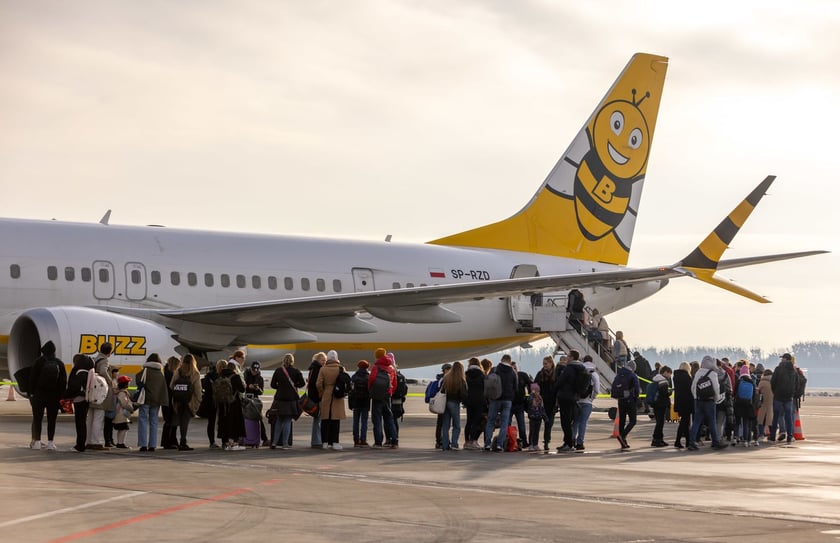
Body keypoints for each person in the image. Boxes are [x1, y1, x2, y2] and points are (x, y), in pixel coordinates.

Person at [28, 340, 67, 451]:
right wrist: (61, 396)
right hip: (54, 396)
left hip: (39, 395)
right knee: (52, 419)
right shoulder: (59, 363)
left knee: (37, 418)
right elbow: (63, 382)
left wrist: (31, 393)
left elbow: (32, 379)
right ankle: (50, 442)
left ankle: (37, 442)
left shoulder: (38, 362)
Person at [687, 355, 724, 451]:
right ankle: (715, 442)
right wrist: (716, 399)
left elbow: (693, 387)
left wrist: (696, 397)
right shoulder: (713, 373)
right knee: (712, 422)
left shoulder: (698, 372)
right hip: (709, 401)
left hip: (698, 400)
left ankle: (691, 442)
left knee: (696, 422)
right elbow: (716, 388)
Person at [269, 353, 305, 449]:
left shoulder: (278, 371)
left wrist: (280, 387)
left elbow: (272, 385)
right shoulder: (296, 371)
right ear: (292, 361)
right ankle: (285, 443)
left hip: (279, 399)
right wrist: (294, 385)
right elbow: (302, 384)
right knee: (288, 421)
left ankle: (274, 442)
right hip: (291, 400)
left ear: (283, 360)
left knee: (279, 421)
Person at [135, 353, 169, 452]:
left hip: (145, 399)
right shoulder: (160, 373)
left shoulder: (145, 371)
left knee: (143, 420)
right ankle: (152, 445)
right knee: (154, 422)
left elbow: (138, 379)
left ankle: (143, 444)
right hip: (157, 400)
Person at [484, 354, 516, 451]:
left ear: (502, 360)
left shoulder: (494, 369)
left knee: (490, 421)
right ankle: (499, 445)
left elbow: (488, 383)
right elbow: (516, 386)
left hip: (495, 399)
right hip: (507, 400)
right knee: (504, 423)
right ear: (510, 361)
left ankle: (487, 444)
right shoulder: (513, 372)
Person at [170, 353, 202, 451]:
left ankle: (172, 441)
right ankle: (183, 442)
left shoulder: (178, 371)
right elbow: (197, 389)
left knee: (176, 421)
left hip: (178, 401)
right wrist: (199, 400)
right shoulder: (195, 373)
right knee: (185, 423)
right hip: (189, 401)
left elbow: (171, 385)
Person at [369, 348, 399, 449]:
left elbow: (371, 380)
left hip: (377, 396)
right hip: (387, 396)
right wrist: (390, 391)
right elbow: (394, 383)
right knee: (389, 419)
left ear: (377, 356)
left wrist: (371, 391)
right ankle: (394, 441)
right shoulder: (391, 367)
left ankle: (378, 442)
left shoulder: (376, 367)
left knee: (377, 419)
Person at [316, 350, 347, 450]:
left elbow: (318, 384)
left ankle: (325, 442)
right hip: (338, 396)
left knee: (325, 420)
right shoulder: (341, 369)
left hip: (327, 394)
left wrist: (322, 391)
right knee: (335, 421)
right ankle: (335, 442)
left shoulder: (323, 369)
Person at [554, 350, 584, 452]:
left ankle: (568, 443)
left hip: (565, 397)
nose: (566, 358)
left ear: (571, 357)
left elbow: (560, 381)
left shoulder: (569, 368)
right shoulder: (580, 367)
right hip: (574, 397)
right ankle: (569, 442)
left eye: (568, 356)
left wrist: (555, 388)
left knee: (565, 421)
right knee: (570, 421)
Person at [87, 341, 113, 450]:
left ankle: (88, 440)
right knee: (98, 418)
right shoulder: (105, 360)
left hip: (93, 391)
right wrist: (110, 381)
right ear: (110, 352)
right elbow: (103, 371)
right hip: (100, 393)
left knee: (90, 418)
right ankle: (95, 441)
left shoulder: (95, 359)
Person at [215, 359, 247, 450]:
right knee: (235, 422)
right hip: (234, 402)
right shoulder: (235, 376)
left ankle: (225, 442)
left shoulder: (220, 376)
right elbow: (242, 389)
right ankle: (234, 443)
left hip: (222, 403)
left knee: (223, 422)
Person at [66, 354, 94, 452]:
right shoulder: (88, 371)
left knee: (80, 423)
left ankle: (80, 445)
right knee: (83, 422)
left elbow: (74, 387)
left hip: (79, 399)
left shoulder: (79, 372)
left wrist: (65, 395)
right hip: (86, 399)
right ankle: (82, 443)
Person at [572, 354, 600, 451]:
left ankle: (572, 440)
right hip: (587, 402)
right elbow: (596, 389)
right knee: (583, 422)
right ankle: (580, 443)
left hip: (577, 400)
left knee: (575, 421)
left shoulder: (578, 371)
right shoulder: (594, 373)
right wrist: (591, 398)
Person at [770, 353, 799, 445]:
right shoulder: (793, 371)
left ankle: (772, 436)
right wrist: (792, 393)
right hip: (789, 397)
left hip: (778, 396)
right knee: (788, 417)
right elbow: (797, 384)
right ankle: (790, 437)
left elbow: (773, 382)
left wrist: (775, 392)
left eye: (782, 358)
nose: (781, 360)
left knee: (776, 417)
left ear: (785, 359)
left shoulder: (778, 369)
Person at [613, 359, 640, 449]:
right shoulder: (633, 375)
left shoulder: (619, 374)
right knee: (633, 420)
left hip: (621, 400)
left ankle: (622, 440)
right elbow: (636, 389)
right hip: (630, 400)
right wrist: (636, 398)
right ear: (633, 368)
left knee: (622, 420)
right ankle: (623, 435)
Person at [440, 361, 467, 451]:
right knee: (456, 425)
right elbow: (463, 394)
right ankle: (454, 443)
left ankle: (445, 444)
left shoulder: (447, 377)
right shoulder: (461, 379)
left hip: (446, 402)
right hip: (455, 403)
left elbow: (442, 390)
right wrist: (464, 402)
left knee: (446, 425)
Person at [533, 356, 556, 451]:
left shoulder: (556, 374)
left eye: (546, 363)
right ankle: (534, 443)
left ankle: (546, 441)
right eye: (543, 364)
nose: (544, 366)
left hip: (552, 402)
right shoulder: (540, 374)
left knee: (549, 423)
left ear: (551, 363)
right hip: (541, 402)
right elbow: (534, 385)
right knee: (537, 423)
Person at [244, 361, 269, 446]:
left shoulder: (260, 378)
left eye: (256, 370)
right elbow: (241, 387)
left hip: (255, 400)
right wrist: (248, 386)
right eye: (253, 370)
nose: (255, 372)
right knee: (244, 419)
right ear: (250, 368)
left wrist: (257, 388)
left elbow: (261, 392)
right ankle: (243, 438)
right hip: (246, 399)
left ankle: (264, 438)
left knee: (259, 418)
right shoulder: (245, 376)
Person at [463, 357, 485, 450]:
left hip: (469, 400)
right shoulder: (481, 375)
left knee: (469, 421)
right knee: (476, 421)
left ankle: (466, 441)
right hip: (479, 401)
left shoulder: (466, 374)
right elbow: (485, 388)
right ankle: (473, 441)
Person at [349, 360, 371, 448]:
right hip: (365, 402)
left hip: (356, 402)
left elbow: (351, 389)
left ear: (358, 367)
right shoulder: (368, 377)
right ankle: (363, 440)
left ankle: (356, 440)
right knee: (364, 422)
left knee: (356, 421)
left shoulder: (354, 377)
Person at [733, 364, 757, 447]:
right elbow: (754, 395)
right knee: (746, 423)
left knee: (737, 422)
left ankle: (735, 438)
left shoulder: (739, 381)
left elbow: (735, 392)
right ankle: (746, 440)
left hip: (739, 403)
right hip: (748, 404)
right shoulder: (752, 381)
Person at [306, 352, 327, 448]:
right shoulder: (318, 369)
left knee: (316, 419)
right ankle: (317, 441)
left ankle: (316, 440)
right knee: (318, 419)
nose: (324, 362)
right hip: (317, 397)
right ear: (318, 360)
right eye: (323, 360)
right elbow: (317, 384)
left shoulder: (312, 369)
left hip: (312, 397)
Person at [160, 356, 181, 450]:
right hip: (172, 400)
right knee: (173, 422)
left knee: (168, 422)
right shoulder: (173, 375)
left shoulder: (164, 373)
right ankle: (171, 441)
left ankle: (167, 441)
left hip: (165, 400)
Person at [671, 362, 694, 449]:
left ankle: (685, 441)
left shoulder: (676, 377)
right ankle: (680, 441)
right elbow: (690, 390)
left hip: (679, 402)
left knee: (684, 422)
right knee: (685, 422)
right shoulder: (687, 377)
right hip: (686, 402)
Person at [510, 361, 532, 448]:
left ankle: (524, 441)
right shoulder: (508, 377)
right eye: (512, 368)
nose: (514, 370)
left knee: (521, 425)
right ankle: (510, 441)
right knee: (508, 424)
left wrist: (530, 396)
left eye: (515, 368)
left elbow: (530, 384)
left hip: (520, 404)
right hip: (510, 404)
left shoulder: (522, 375)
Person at [650, 365, 672, 447]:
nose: (670, 375)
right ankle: (656, 439)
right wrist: (670, 392)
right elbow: (664, 393)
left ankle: (659, 439)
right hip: (661, 404)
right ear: (665, 372)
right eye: (669, 373)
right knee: (660, 423)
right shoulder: (663, 381)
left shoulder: (656, 379)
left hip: (656, 404)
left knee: (659, 422)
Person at [112, 375, 136, 449]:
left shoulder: (120, 392)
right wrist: (131, 408)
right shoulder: (122, 393)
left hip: (120, 414)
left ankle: (120, 442)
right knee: (124, 429)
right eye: (128, 383)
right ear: (125, 384)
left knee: (121, 429)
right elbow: (124, 403)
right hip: (121, 414)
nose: (129, 384)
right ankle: (121, 443)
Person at [199, 364, 219, 448]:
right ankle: (225, 441)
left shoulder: (206, 378)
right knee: (221, 422)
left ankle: (212, 441)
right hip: (218, 401)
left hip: (209, 402)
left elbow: (202, 388)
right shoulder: (219, 377)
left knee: (211, 423)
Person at [526, 383, 547, 451]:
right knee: (532, 431)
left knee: (537, 432)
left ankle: (535, 444)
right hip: (532, 417)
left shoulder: (540, 398)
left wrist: (544, 417)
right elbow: (528, 401)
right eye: (536, 391)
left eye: (538, 391)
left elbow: (542, 409)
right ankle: (531, 444)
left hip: (539, 417)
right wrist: (532, 394)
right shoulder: (530, 398)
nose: (537, 392)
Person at [756, 368, 774, 442]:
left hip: (763, 402)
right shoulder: (774, 382)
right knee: (770, 420)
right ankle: (771, 435)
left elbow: (758, 392)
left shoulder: (762, 382)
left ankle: (761, 434)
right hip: (771, 403)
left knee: (761, 420)